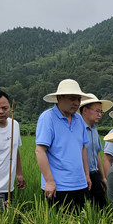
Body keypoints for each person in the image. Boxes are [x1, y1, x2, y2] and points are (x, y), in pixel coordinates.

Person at [35, 79, 94, 211]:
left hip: (80, 184)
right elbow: (40, 151)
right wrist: (49, 181)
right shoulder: (47, 118)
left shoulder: (79, 119)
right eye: (72, 99)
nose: (76, 103)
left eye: (78, 99)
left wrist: (86, 175)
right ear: (59, 98)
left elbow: (82, 148)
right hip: (58, 186)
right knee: (60, 222)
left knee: (81, 221)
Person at [79, 95, 113, 209]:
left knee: (101, 206)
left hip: (95, 175)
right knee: (85, 209)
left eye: (101, 112)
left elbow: (97, 154)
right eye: (97, 111)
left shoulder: (94, 129)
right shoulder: (77, 129)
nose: (100, 114)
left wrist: (103, 178)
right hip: (81, 176)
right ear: (85, 110)